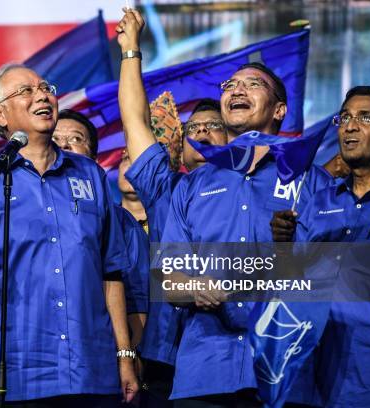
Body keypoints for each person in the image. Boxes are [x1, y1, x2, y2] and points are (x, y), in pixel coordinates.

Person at [115, 8, 333, 406]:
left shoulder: (311, 181)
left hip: (286, 369)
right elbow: (167, 278)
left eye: (252, 84)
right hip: (205, 373)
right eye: (230, 84)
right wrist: (195, 286)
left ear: (279, 110)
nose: (236, 89)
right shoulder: (191, 187)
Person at [0, 62, 139, 406]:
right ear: (0, 115)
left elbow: (111, 272)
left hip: (92, 373)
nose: (43, 95)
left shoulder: (90, 175)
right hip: (15, 376)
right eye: (26, 91)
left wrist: (125, 355)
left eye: (46, 88)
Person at [116, 9, 229, 407]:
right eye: (193, 128)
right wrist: (131, 51)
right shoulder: (165, 189)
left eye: (213, 125)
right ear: (178, 146)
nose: (201, 132)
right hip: (169, 357)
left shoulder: (256, 191)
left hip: (239, 357)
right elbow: (133, 120)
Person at [271, 86, 370, 407]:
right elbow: (293, 288)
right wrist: (282, 247)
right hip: (309, 379)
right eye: (344, 117)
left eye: (365, 117)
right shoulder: (315, 203)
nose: (350, 126)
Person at [52, 109, 150, 367]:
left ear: (94, 158)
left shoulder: (121, 222)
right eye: (54, 139)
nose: (63, 145)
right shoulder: (21, 215)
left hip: (100, 361)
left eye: (75, 138)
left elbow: (138, 301)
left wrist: (129, 357)